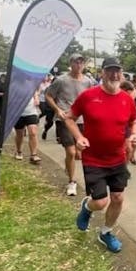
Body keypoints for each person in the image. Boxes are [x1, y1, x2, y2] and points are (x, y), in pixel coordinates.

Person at [66, 57, 136, 253]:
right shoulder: (88, 96)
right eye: (110, 71)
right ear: (102, 73)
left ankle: (106, 233)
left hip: (117, 158)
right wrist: (79, 137)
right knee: (100, 202)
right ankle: (87, 208)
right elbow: (69, 117)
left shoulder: (126, 99)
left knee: (117, 198)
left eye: (118, 71)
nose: (114, 75)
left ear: (122, 74)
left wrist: (134, 135)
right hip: (94, 159)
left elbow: (135, 121)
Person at [46, 53, 93, 196]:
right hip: (65, 119)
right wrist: (57, 110)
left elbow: (91, 98)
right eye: (76, 62)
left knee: (80, 153)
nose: (79, 65)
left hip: (82, 120)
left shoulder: (88, 81)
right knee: (71, 152)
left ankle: (70, 166)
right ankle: (72, 182)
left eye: (81, 63)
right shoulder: (61, 80)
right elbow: (48, 95)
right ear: (70, 64)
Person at [14, 91, 42, 164]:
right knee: (20, 134)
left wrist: (36, 98)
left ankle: (33, 155)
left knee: (33, 132)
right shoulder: (13, 83)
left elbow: (34, 90)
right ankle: (19, 151)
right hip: (18, 112)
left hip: (31, 111)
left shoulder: (30, 82)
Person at [38, 73, 55, 140]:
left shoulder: (60, 89)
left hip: (59, 107)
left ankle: (59, 137)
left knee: (59, 122)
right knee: (49, 121)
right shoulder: (47, 87)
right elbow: (44, 94)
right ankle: (45, 130)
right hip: (45, 103)